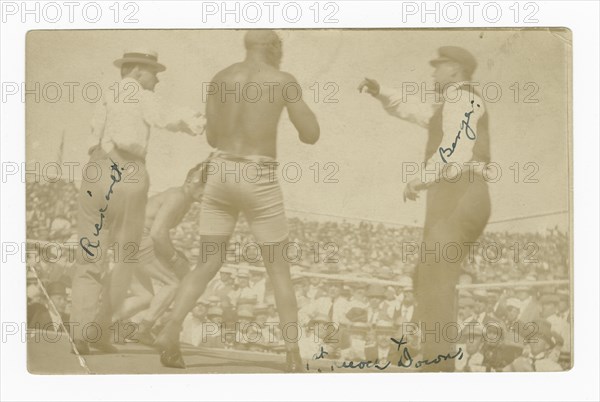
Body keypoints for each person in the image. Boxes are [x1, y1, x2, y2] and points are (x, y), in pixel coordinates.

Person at [155, 30, 320, 371]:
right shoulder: (282, 79)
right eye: (280, 47)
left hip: (220, 171)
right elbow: (311, 135)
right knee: (278, 269)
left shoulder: (220, 78)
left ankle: (170, 333)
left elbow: (213, 136)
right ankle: (292, 353)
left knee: (207, 263)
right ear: (273, 48)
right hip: (258, 174)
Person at [359, 46, 491, 371]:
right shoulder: (452, 102)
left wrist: (419, 180)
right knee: (428, 276)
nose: (433, 74)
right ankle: (425, 356)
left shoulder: (464, 99)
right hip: (453, 196)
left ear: (455, 70)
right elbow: (417, 111)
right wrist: (381, 92)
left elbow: (456, 148)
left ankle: (437, 368)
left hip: (460, 194)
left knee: (438, 281)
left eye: (439, 67)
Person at [70, 49, 202, 354]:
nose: (156, 79)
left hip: (96, 169)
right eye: (154, 73)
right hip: (127, 170)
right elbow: (166, 117)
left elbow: (95, 133)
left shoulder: (106, 94)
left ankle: (81, 331)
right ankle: (99, 330)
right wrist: (197, 121)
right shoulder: (139, 93)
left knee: (90, 256)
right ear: (139, 72)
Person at [113, 163, 207, 344]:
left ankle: (101, 323)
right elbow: (157, 232)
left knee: (145, 297)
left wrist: (174, 254)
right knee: (172, 284)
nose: (205, 192)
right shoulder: (178, 196)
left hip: (129, 239)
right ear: (189, 181)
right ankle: (143, 329)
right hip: (137, 239)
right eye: (203, 185)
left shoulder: (183, 199)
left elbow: (156, 232)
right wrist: (173, 257)